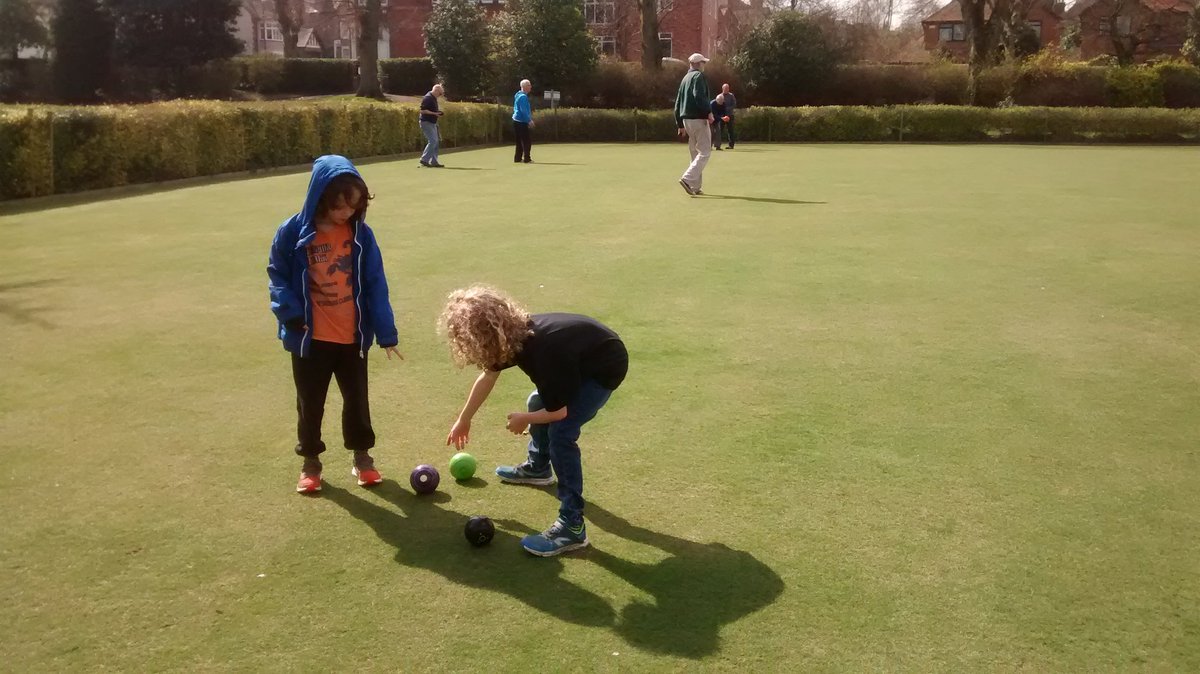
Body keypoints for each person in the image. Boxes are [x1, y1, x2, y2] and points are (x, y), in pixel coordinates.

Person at [440, 286, 628, 557]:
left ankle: (572, 528)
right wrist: (463, 420)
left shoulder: (543, 351)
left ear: (486, 336)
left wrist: (524, 420)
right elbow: (488, 377)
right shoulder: (511, 338)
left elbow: (559, 413)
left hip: (603, 369)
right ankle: (538, 468)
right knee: (536, 401)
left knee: (562, 434)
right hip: (582, 358)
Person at [267, 155, 403, 494]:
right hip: (309, 339)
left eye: (354, 207)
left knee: (357, 400)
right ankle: (310, 462)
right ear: (322, 197)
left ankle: (362, 458)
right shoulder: (292, 233)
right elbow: (277, 276)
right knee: (310, 403)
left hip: (352, 338)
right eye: (341, 207)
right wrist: (290, 313)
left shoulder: (361, 236)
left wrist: (386, 333)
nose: (347, 213)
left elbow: (375, 283)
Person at [674, 53, 714, 196]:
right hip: (698, 119)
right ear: (698, 64)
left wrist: (680, 124)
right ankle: (687, 178)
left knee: (694, 153)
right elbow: (699, 96)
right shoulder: (698, 76)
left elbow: (677, 103)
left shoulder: (685, 78)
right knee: (705, 152)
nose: (704, 65)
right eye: (703, 62)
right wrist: (708, 112)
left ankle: (695, 187)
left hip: (686, 120)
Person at [419, 83, 445, 168]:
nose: (440, 95)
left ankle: (434, 161)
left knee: (436, 142)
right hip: (426, 122)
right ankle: (424, 159)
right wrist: (434, 113)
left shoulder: (433, 98)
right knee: (433, 141)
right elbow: (422, 111)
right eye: (440, 93)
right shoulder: (428, 98)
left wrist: (438, 112)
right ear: (436, 90)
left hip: (433, 122)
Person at [512, 79, 535, 164]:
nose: (530, 87)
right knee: (526, 140)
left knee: (519, 140)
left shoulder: (518, 95)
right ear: (524, 87)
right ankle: (527, 159)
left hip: (516, 120)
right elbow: (524, 110)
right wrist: (529, 120)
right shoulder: (523, 97)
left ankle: (517, 158)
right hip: (521, 121)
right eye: (529, 85)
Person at [720, 83, 737, 149]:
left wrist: (727, 108)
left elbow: (734, 104)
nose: (726, 89)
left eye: (727, 88)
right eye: (725, 88)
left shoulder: (731, 95)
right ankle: (718, 145)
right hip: (722, 116)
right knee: (719, 130)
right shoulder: (720, 96)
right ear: (723, 89)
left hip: (730, 115)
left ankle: (731, 145)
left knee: (730, 130)